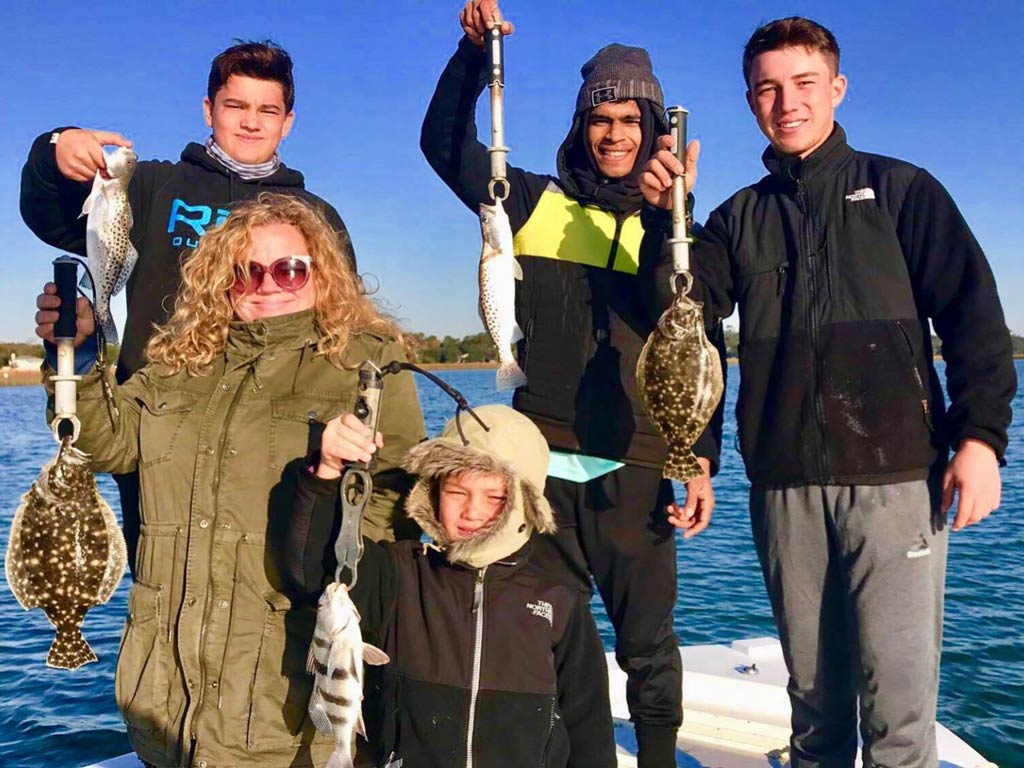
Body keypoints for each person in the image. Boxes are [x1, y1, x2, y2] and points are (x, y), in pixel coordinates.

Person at [639, 17, 1016, 767]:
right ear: (751, 102)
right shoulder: (737, 218)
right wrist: (667, 219)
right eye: (768, 89)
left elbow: (976, 319)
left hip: (898, 478)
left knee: (898, 709)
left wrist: (980, 441)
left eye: (804, 83)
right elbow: (683, 322)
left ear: (836, 88)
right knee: (813, 702)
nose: (788, 102)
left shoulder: (903, 191)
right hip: (784, 486)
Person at [420, 3, 717, 764]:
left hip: (637, 463)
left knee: (647, 646)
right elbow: (441, 143)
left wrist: (701, 454)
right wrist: (470, 53)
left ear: (654, 128)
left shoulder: (675, 226)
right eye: (600, 119)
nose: (614, 134)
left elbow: (698, 347)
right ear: (581, 126)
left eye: (630, 119)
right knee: (544, 632)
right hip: (539, 459)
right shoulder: (526, 200)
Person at [34, 194, 424, 767]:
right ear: (221, 277)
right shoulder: (178, 360)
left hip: (281, 690)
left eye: (290, 268)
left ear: (322, 273)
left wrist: (330, 483)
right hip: (163, 692)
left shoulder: (367, 364)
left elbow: (398, 504)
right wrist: (82, 360)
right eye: (246, 271)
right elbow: (106, 446)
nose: (268, 284)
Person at [21, 39, 354, 571]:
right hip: (158, 428)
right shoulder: (150, 186)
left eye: (267, 109)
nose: (251, 122)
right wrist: (55, 150)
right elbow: (51, 217)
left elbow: (342, 328)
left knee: (272, 586)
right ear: (208, 110)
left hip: (275, 438)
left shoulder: (313, 215)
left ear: (287, 121)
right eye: (234, 106)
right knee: (162, 582)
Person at [286, 403, 617, 768]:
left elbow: (589, 723)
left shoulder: (557, 596)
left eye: (495, 498)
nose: (473, 512)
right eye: (457, 492)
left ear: (526, 501)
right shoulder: (400, 571)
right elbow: (314, 567)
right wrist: (328, 471)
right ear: (433, 491)